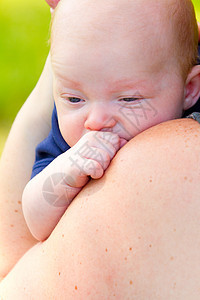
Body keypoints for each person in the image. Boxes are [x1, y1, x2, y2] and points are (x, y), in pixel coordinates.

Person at [1, 0, 200, 298]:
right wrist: (67, 172)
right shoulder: (70, 142)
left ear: (189, 90)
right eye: (73, 99)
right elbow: (35, 220)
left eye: (129, 100)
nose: (95, 121)